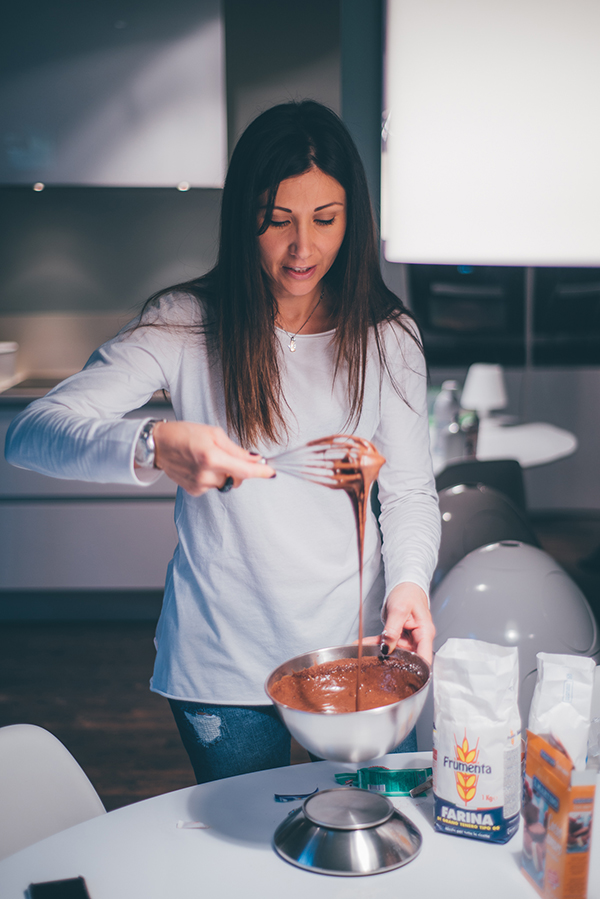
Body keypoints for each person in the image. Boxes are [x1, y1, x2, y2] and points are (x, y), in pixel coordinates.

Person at [5, 101, 440, 783]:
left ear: (353, 218)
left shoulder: (388, 336)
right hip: (222, 657)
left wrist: (409, 585)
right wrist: (152, 442)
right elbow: (30, 433)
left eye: (325, 220)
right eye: (277, 221)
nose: (303, 249)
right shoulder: (183, 326)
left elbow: (411, 489)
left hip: (353, 646)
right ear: (245, 219)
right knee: (249, 846)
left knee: (355, 841)